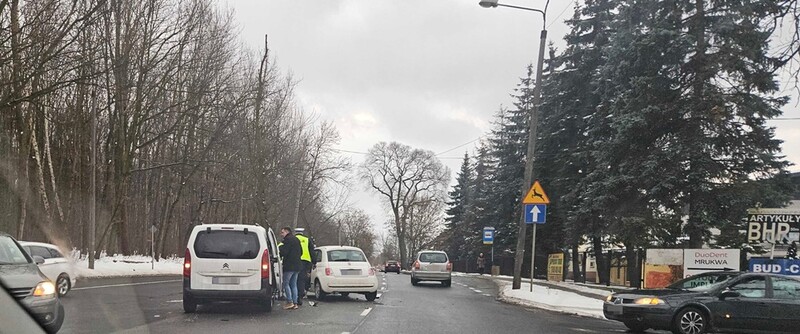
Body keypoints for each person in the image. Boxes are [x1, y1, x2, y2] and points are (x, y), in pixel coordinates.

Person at [279, 227, 302, 310]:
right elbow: (301, 251)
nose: (281, 234)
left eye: (282, 232)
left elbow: (284, 252)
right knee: (293, 284)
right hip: (297, 265)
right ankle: (295, 303)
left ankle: (290, 302)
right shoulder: (296, 239)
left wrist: (279, 250)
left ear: (286, 232)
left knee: (286, 283)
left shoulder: (287, 240)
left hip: (289, 266)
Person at [294, 227, 315, 305]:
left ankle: (293, 297)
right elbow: (312, 252)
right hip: (305, 262)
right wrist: (314, 262)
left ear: (295, 232)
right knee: (301, 280)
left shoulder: (292, 239)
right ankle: (300, 296)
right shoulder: (307, 240)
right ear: (302, 233)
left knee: (293, 279)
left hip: (295, 261)